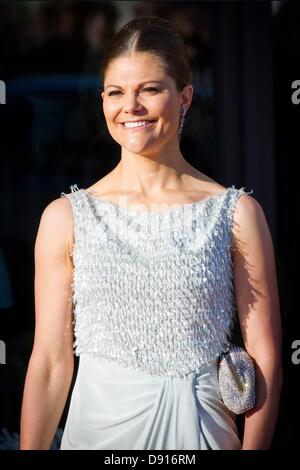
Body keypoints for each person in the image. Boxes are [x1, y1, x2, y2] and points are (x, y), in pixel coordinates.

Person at [20, 16, 282, 450]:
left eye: (150, 89)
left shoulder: (237, 214)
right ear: (103, 100)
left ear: (185, 98)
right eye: (116, 92)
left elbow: (265, 357)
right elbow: (49, 363)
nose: (131, 107)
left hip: (201, 434)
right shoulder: (65, 218)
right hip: (96, 433)